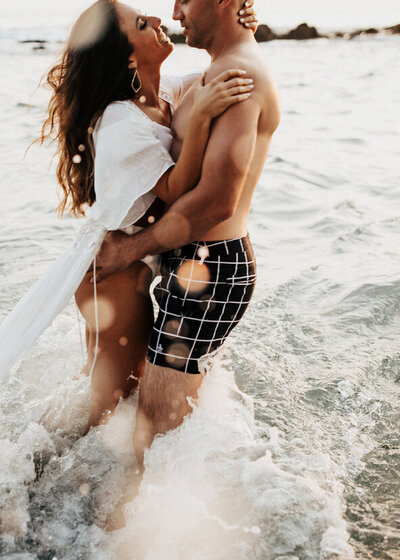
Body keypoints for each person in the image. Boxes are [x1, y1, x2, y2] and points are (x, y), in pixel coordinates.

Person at [0, 1, 258, 433]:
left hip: (125, 264)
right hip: (114, 272)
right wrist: (200, 124)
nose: (159, 19)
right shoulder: (121, 120)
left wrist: (241, 24)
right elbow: (175, 188)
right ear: (128, 57)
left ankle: (45, 472)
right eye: (142, 23)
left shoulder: (159, 94)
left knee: (109, 402)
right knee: (107, 417)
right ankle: (30, 483)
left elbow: (217, 70)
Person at [93, 0, 281, 465]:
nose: (174, 12)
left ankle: (138, 529)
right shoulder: (212, 74)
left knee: (152, 434)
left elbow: (218, 202)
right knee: (136, 413)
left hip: (209, 274)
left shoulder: (242, 78)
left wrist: (129, 249)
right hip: (186, 264)